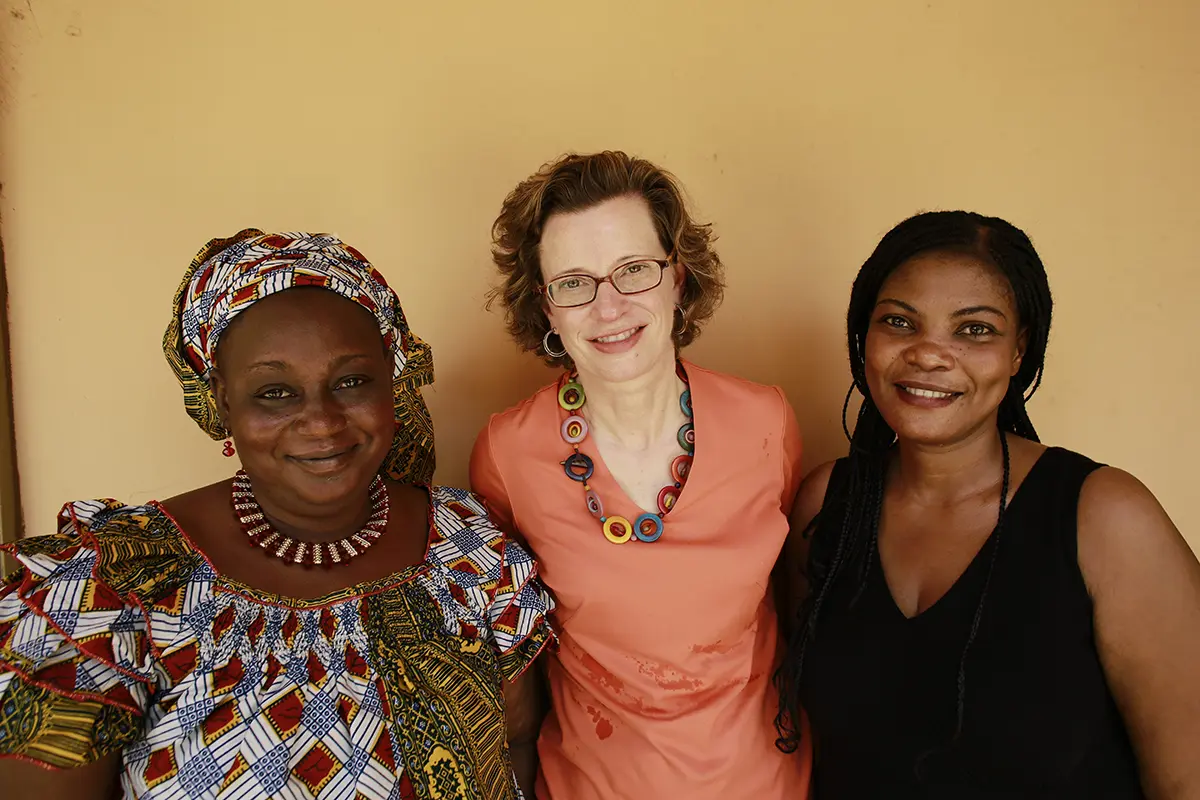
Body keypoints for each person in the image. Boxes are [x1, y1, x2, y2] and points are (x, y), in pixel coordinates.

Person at [0, 230, 554, 799]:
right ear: (221, 399)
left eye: (352, 381)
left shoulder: (471, 550)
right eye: (275, 392)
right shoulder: (109, 587)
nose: (321, 421)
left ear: (393, 379)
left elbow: (517, 745)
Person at [775, 210, 1200, 798]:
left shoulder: (1103, 516)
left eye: (974, 329)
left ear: (1019, 351)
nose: (929, 354)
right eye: (899, 322)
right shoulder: (827, 506)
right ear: (863, 338)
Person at [470, 151, 811, 799]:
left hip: (763, 783)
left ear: (678, 279)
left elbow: (798, 610)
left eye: (634, 270)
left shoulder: (767, 423)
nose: (609, 306)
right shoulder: (506, 454)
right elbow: (519, 662)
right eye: (574, 282)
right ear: (546, 308)